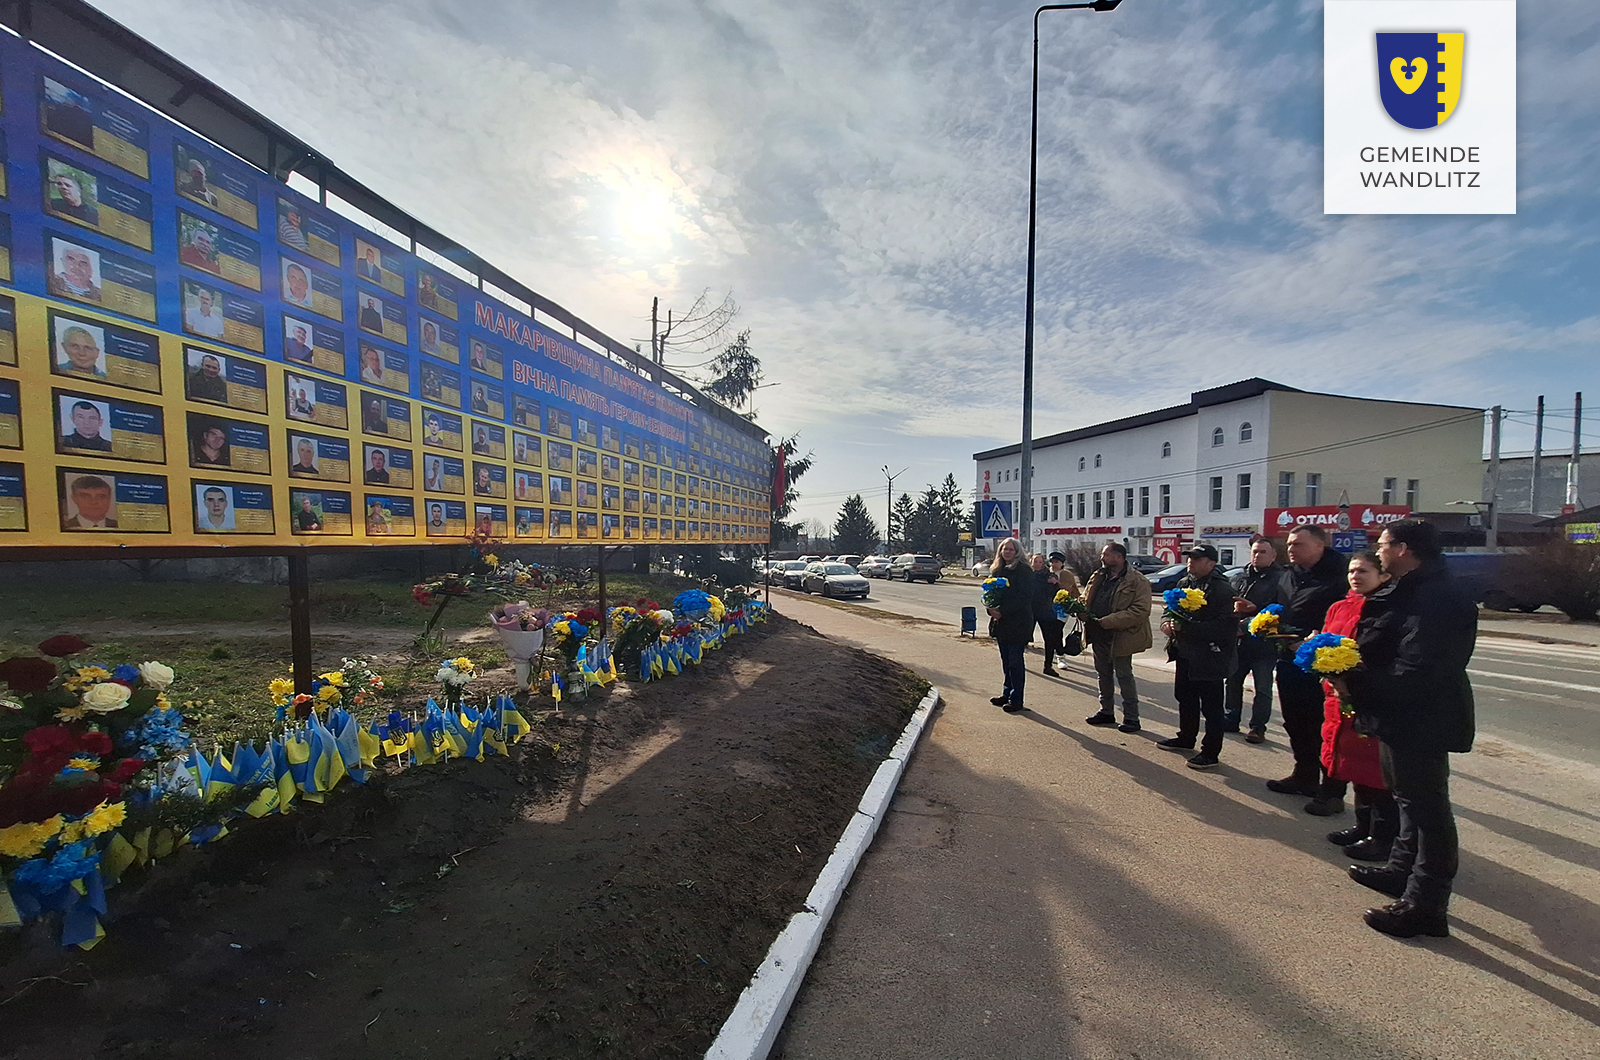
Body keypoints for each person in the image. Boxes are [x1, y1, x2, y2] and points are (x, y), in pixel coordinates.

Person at [1342, 519, 1476, 939]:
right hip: (1395, 713)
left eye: (1382, 546)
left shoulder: (1439, 597)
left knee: (1428, 809)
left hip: (1422, 717)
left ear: (1403, 549)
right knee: (1405, 800)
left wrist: (1356, 680)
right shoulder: (1410, 589)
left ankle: (1426, 905)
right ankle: (1401, 872)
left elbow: (1419, 668)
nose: (1378, 552)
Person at [1318, 551, 1397, 862]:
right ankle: (1362, 825)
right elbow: (1326, 643)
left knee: (1375, 772)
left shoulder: (1384, 608)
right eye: (1352, 570)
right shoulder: (1340, 606)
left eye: (1364, 571)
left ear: (1383, 576)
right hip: (1337, 698)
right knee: (1350, 766)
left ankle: (1382, 836)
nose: (1356, 576)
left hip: (1366, 698)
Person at [1267, 525, 1349, 811]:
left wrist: (1310, 642)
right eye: (1289, 544)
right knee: (1296, 721)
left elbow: (1345, 622)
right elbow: (1281, 608)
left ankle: (1332, 790)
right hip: (1289, 658)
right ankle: (1304, 776)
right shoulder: (1288, 575)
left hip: (1324, 665)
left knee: (1325, 727)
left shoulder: (1340, 576)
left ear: (1319, 546)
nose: (1291, 549)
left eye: (1298, 544)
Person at [1156, 544, 1237, 770]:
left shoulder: (1222, 590)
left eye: (1197, 559)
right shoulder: (1185, 583)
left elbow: (1225, 627)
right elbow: (1168, 609)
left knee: (1211, 707)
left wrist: (1188, 629)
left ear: (1211, 564)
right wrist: (1166, 624)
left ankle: (1210, 751)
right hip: (1185, 653)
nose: (1191, 562)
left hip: (1210, 656)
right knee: (1185, 697)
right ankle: (1185, 737)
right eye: (1190, 558)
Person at [1082, 543, 1152, 733]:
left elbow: (1141, 610)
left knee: (1124, 676)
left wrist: (1111, 621)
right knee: (1103, 675)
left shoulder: (1136, 580)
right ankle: (1106, 711)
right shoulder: (1099, 576)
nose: (1101, 558)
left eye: (1106, 555)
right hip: (1099, 634)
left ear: (1119, 557)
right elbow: (1087, 598)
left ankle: (1131, 718)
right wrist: (1079, 609)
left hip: (1121, 636)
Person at [1226, 537, 1286, 742]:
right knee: (1233, 682)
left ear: (1273, 556)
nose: (1257, 555)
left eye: (1262, 552)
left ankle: (1258, 727)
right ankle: (1231, 718)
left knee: (1262, 688)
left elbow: (1282, 611)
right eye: (1254, 551)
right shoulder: (1239, 578)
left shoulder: (1281, 580)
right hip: (1239, 643)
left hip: (1264, 645)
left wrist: (1254, 611)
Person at [985, 537, 1034, 715]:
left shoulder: (1024, 571)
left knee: (1015, 662)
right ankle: (1006, 693)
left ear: (1017, 552)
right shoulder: (997, 570)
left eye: (1011, 549)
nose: (1007, 552)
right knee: (1006, 661)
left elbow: (1025, 598)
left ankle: (1016, 698)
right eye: (1005, 549)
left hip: (1018, 623)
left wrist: (1003, 611)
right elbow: (990, 593)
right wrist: (990, 608)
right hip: (1001, 623)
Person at [1027, 553, 1064, 677]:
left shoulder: (1049, 576)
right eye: (1035, 562)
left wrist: (1056, 583)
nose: (1038, 564)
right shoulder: (1027, 575)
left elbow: (1058, 593)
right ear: (1031, 562)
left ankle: (1048, 666)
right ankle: (1018, 662)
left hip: (1046, 611)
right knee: (1023, 637)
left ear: (1044, 563)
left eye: (1040, 562)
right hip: (1030, 611)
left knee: (1050, 640)